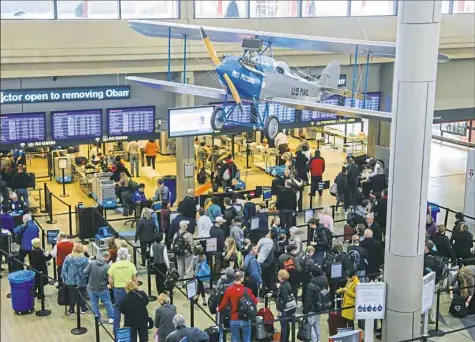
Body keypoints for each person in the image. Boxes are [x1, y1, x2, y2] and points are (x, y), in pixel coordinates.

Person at [218, 271, 258, 342]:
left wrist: (218, 308)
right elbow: (255, 301)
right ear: (242, 279)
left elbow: (223, 304)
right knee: (247, 338)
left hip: (234, 318)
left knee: (234, 338)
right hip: (245, 318)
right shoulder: (247, 290)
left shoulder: (229, 290)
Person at [108, 247, 138, 331]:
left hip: (118, 289)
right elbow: (135, 279)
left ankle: (116, 329)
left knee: (117, 308)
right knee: (130, 309)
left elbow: (110, 280)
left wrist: (113, 286)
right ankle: (129, 327)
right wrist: (136, 289)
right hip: (130, 290)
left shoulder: (114, 266)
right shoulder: (131, 265)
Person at [84, 251, 114, 324]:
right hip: (102, 288)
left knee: (94, 304)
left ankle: (98, 319)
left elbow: (85, 272)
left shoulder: (92, 263)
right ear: (108, 258)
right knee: (107, 303)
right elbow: (108, 278)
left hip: (91, 288)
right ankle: (111, 318)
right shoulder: (107, 266)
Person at [62, 243, 89, 316]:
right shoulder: (85, 259)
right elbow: (87, 270)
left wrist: (64, 278)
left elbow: (64, 270)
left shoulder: (68, 258)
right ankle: (83, 308)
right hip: (81, 280)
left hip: (70, 280)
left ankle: (71, 310)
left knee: (72, 295)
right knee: (82, 294)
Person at [303, 264, 329, 342]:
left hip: (311, 308)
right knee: (317, 325)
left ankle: (313, 340)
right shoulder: (325, 281)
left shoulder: (311, 284)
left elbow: (308, 299)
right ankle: (318, 340)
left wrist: (305, 310)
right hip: (320, 307)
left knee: (310, 325)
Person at [276, 269, 296, 342]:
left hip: (284, 309)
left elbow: (284, 299)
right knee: (286, 325)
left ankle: (283, 340)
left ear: (280, 276)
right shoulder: (287, 283)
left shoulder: (283, 286)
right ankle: (286, 339)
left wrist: (280, 310)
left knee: (284, 326)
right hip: (289, 308)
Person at [174, 220, 194, 285]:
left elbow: (173, 243)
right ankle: (188, 283)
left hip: (178, 253)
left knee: (180, 268)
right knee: (188, 268)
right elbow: (191, 245)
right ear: (185, 227)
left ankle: (180, 283)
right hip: (187, 254)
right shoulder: (189, 235)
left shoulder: (176, 234)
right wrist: (192, 252)